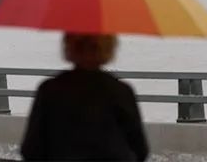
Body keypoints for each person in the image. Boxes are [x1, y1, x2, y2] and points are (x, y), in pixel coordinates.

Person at [20, 33, 149, 161]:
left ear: (69, 46)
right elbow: (140, 149)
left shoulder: (49, 90)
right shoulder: (121, 91)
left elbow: (31, 149)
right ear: (108, 47)